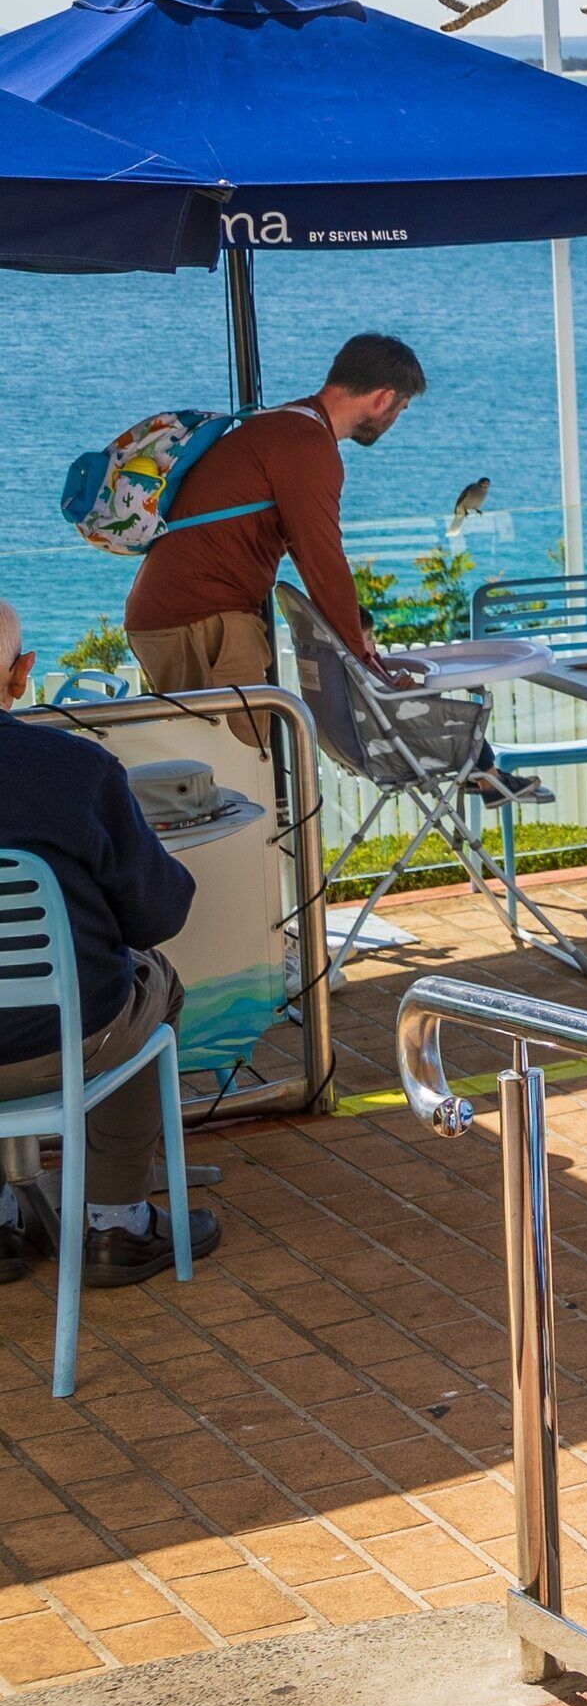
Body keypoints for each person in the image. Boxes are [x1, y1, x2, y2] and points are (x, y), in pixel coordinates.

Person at [0, 595, 220, 1286]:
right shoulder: (76, 770)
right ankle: (116, 1224)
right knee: (155, 980)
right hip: (63, 1044)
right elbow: (156, 916)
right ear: (21, 675)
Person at [124, 331, 427, 705]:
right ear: (383, 397)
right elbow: (322, 560)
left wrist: (359, 654)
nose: (395, 418)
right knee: (243, 740)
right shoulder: (308, 445)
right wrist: (364, 666)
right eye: (400, 408)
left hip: (175, 611)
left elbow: (304, 549)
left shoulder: (282, 422)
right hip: (203, 618)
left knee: (215, 740)